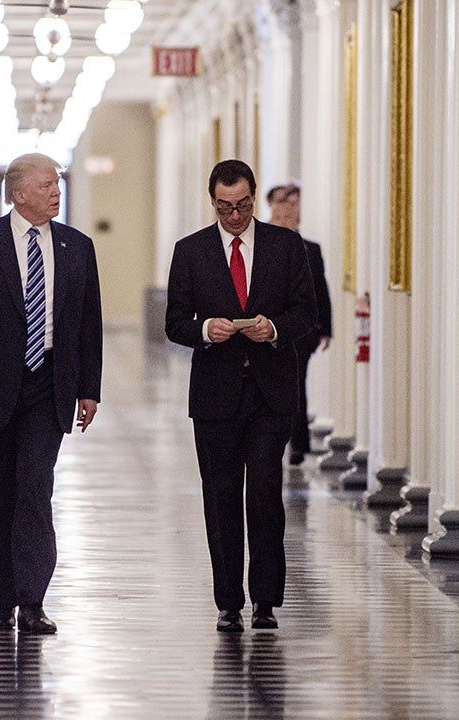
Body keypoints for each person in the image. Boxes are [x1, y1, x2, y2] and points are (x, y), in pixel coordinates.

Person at [0, 153, 103, 634]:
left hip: (47, 386)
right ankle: (1, 598)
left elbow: (87, 324)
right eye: (48, 185)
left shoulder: (77, 247)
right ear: (19, 193)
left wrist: (88, 390)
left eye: (58, 184)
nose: (57, 192)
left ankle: (32, 600)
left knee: (35, 489)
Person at [165, 159, 319, 632]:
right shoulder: (190, 251)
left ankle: (266, 601)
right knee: (222, 495)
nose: (235, 216)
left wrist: (273, 328)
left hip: (272, 392)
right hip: (216, 395)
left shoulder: (285, 246)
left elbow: (307, 313)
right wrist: (205, 331)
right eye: (225, 207)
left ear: (254, 198)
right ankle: (229, 602)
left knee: (266, 496)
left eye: (243, 206)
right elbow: (173, 322)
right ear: (212, 201)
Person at [266, 183, 333, 465]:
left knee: (297, 384)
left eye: (288, 218)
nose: (283, 223)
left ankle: (298, 444)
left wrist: (326, 328)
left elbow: (321, 289)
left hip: (303, 330)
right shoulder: (264, 248)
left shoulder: (310, 249)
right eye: (278, 219)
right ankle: (277, 439)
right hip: (271, 330)